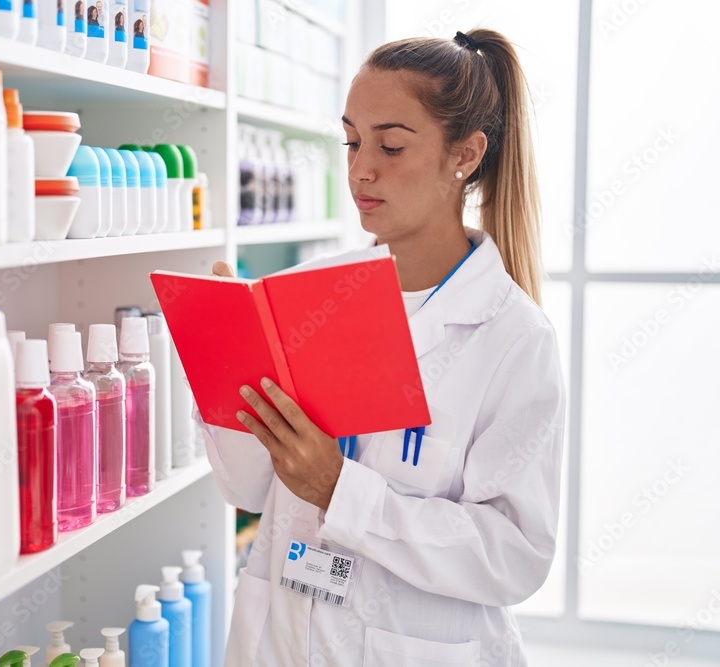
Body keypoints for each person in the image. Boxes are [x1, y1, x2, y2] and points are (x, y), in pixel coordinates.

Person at [204, 29, 566, 666]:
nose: (360, 169)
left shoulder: (513, 339)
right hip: (284, 640)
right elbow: (245, 487)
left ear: (466, 155)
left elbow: (514, 556)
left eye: (390, 145)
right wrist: (223, 355)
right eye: (351, 140)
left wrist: (340, 489)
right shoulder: (302, 296)